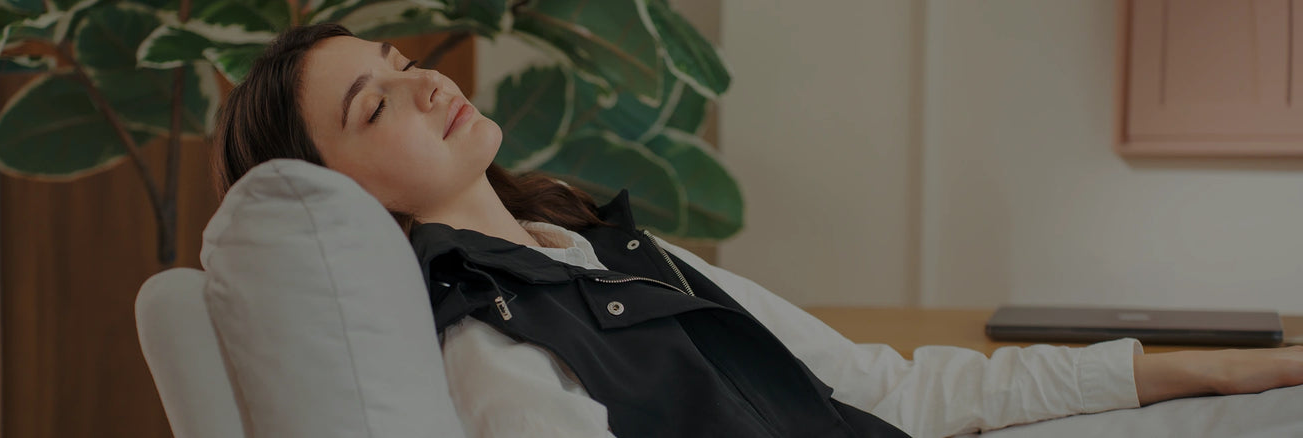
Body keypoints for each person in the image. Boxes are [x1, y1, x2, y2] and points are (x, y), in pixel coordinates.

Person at [211, 23, 1303, 437]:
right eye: (372, 104)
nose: (422, 85)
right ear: (346, 199)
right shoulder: (487, 344)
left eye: (403, 65)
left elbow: (891, 388)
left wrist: (1198, 371)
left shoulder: (597, 244)